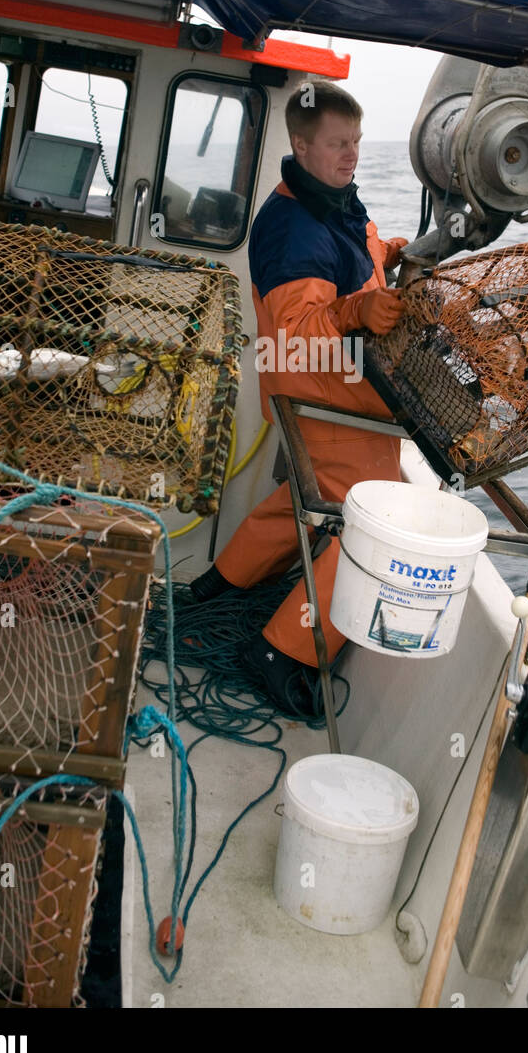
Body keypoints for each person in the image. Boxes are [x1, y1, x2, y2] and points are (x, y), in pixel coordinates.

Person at [190, 80, 409, 714]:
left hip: (318, 389)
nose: (352, 155)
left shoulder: (330, 199)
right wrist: (359, 308)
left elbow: (358, 249)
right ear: (301, 144)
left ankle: (219, 583)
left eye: (358, 142)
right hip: (321, 392)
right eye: (339, 144)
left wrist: (393, 253)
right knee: (378, 525)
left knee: (302, 498)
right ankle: (283, 650)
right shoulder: (293, 227)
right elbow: (295, 332)